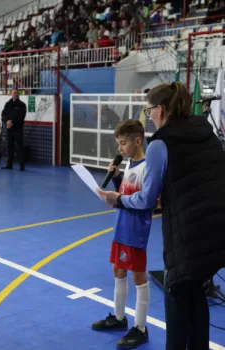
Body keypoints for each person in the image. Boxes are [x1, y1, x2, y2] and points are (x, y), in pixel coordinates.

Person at [97, 82, 225, 350]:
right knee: (196, 294)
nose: (149, 116)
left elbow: (144, 199)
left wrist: (118, 199)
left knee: (177, 299)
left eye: (149, 110)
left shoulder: (161, 144)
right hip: (216, 233)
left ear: (162, 110)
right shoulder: (208, 134)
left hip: (187, 236)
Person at [92, 120, 152, 348]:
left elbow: (143, 201)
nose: (120, 149)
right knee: (117, 269)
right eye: (119, 144)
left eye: (123, 143)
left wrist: (117, 198)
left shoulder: (146, 167)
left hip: (135, 230)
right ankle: (118, 318)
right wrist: (116, 178)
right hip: (121, 226)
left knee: (138, 276)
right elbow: (125, 192)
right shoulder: (130, 164)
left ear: (137, 141)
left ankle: (141, 327)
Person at [1, 89, 27, 171]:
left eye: (16, 93)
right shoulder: (8, 104)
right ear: (11, 94)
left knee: (20, 147)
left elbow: (21, 117)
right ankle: (9, 164)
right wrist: (7, 121)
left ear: (18, 94)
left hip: (18, 129)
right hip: (9, 129)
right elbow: (3, 114)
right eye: (14, 93)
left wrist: (11, 122)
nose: (15, 94)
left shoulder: (22, 105)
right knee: (10, 147)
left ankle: (21, 165)